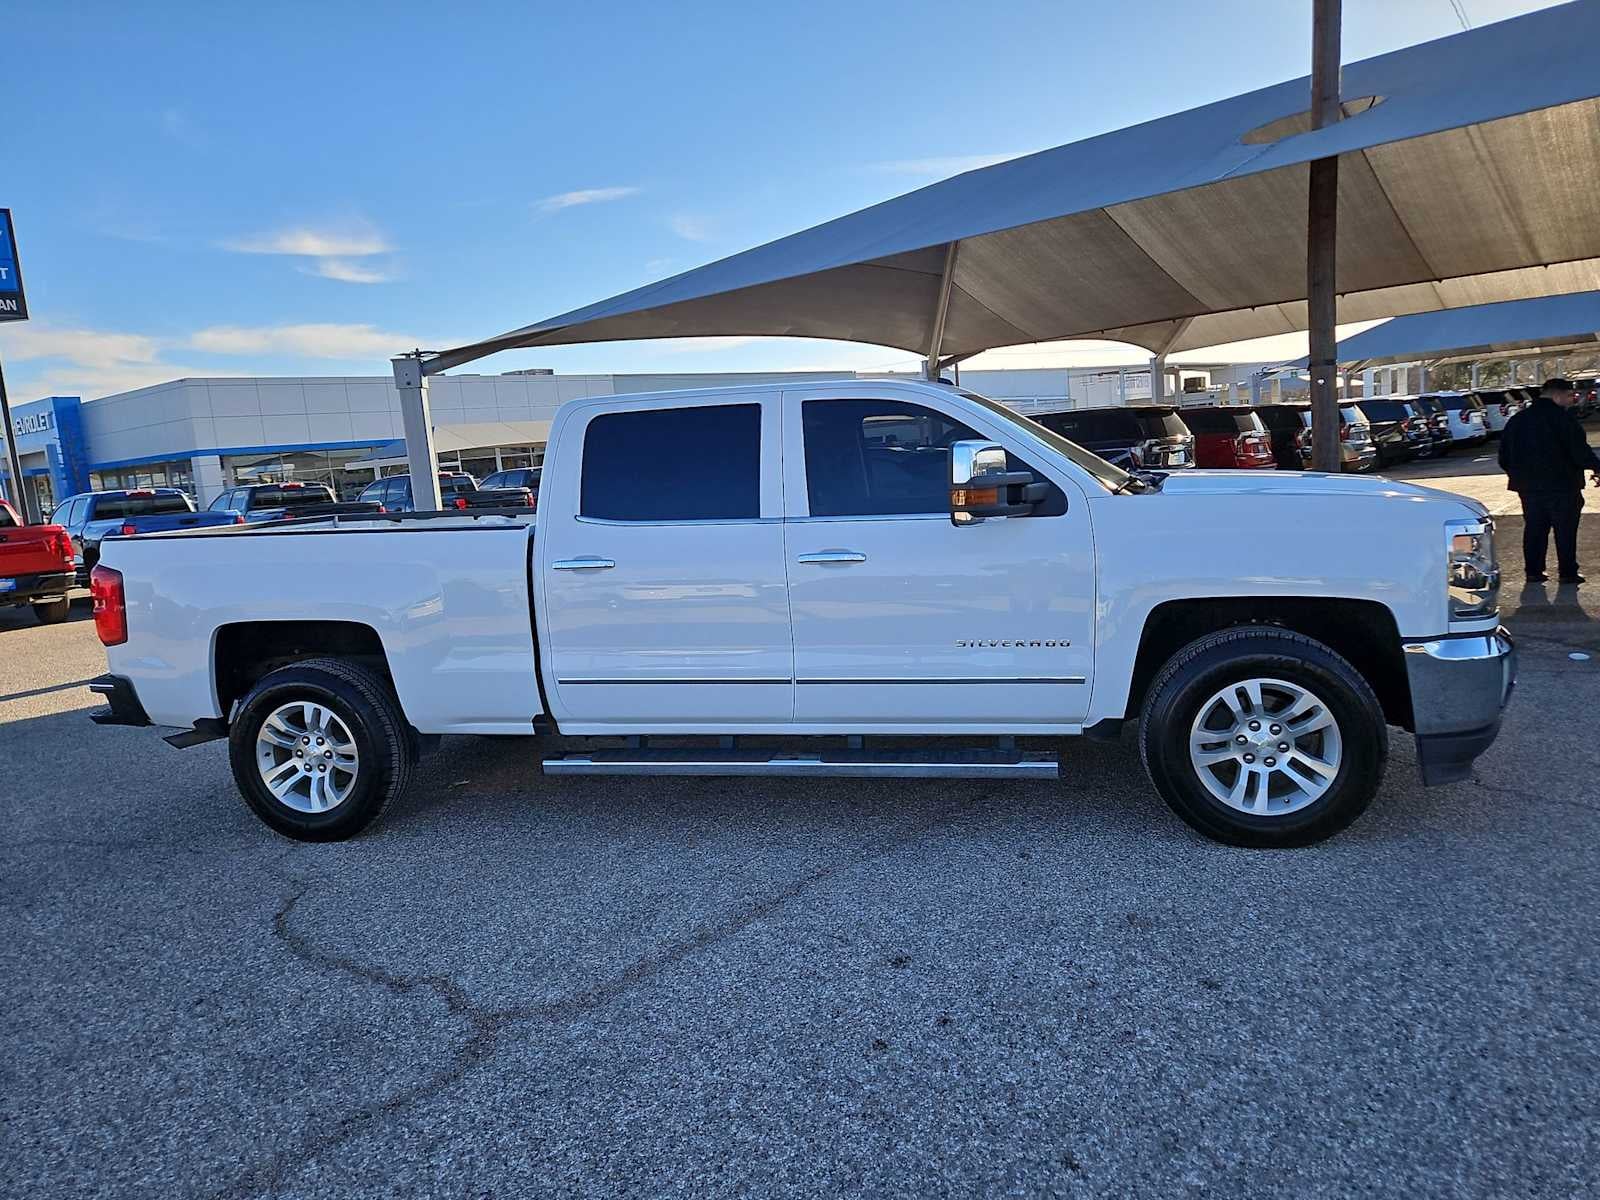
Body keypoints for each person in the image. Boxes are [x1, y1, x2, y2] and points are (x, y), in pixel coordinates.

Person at [1497, 377, 1600, 583]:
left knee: (1534, 528)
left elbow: (1504, 457)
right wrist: (1597, 468)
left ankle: (1534, 571)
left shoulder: (1518, 420)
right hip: (1563, 486)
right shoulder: (1563, 420)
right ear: (1557, 395)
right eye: (1570, 395)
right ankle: (1567, 572)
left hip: (1529, 488)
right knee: (1565, 531)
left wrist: (1519, 477)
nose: (1573, 400)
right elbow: (1579, 452)